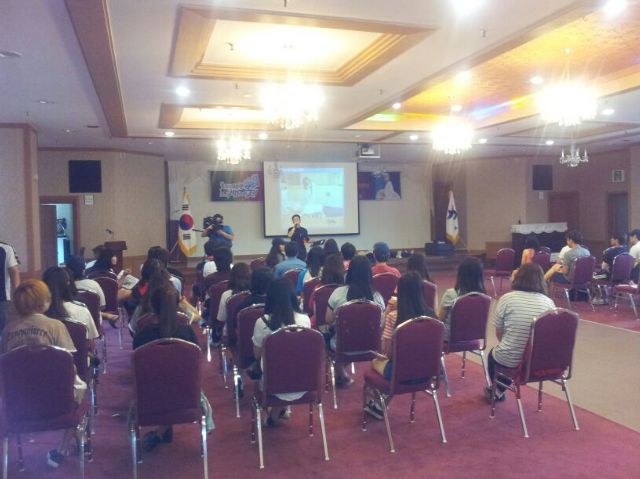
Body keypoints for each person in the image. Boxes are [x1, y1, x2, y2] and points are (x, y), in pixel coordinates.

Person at [1, 279, 84, 468]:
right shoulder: (56, 326)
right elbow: (68, 363)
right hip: (57, 397)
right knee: (81, 387)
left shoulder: (8, 330)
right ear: (43, 303)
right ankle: (64, 448)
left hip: (19, 400)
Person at [133, 286, 214, 450]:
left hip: (149, 397)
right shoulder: (187, 334)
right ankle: (162, 430)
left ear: (152, 306)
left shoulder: (141, 336)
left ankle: (161, 430)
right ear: (178, 306)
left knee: (163, 381)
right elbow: (194, 369)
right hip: (186, 396)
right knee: (174, 379)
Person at [365, 271, 436, 419]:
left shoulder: (394, 316)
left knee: (376, 362)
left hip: (399, 372)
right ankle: (380, 404)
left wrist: (387, 313)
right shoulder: (432, 316)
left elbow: (386, 352)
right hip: (427, 372)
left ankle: (379, 404)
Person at [485, 263, 555, 403]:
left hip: (510, 358)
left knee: (494, 356)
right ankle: (498, 389)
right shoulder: (549, 303)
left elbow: (499, 332)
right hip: (538, 362)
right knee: (509, 355)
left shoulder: (507, 299)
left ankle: (497, 389)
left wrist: (512, 343)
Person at [252, 279, 311, 426]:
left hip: (272, 383)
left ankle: (276, 412)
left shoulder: (262, 322)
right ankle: (278, 411)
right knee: (291, 364)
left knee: (273, 367)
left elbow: (257, 355)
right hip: (304, 380)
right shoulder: (305, 320)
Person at [326, 255, 385, 385]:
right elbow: (381, 325)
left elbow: (328, 320)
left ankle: (340, 371)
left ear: (349, 272)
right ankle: (341, 372)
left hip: (342, 346)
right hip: (370, 347)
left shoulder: (338, 293)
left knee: (328, 336)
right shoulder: (377, 297)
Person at [42, 266, 100, 343]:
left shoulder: (37, 313)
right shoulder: (81, 310)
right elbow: (90, 342)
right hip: (77, 351)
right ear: (68, 284)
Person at [437, 257, 486, 340]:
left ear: (460, 274)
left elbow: (439, 320)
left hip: (451, 338)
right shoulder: (484, 297)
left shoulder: (451, 294)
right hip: (473, 338)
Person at [216, 262, 251, 327]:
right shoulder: (254, 294)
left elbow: (221, 319)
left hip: (231, 331)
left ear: (231, 276)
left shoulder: (226, 295)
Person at [0, 240, 20, 333]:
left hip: (2, 300)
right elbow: (14, 273)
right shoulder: (5, 248)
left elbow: (14, 274)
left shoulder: (5, 249)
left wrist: (16, 298)